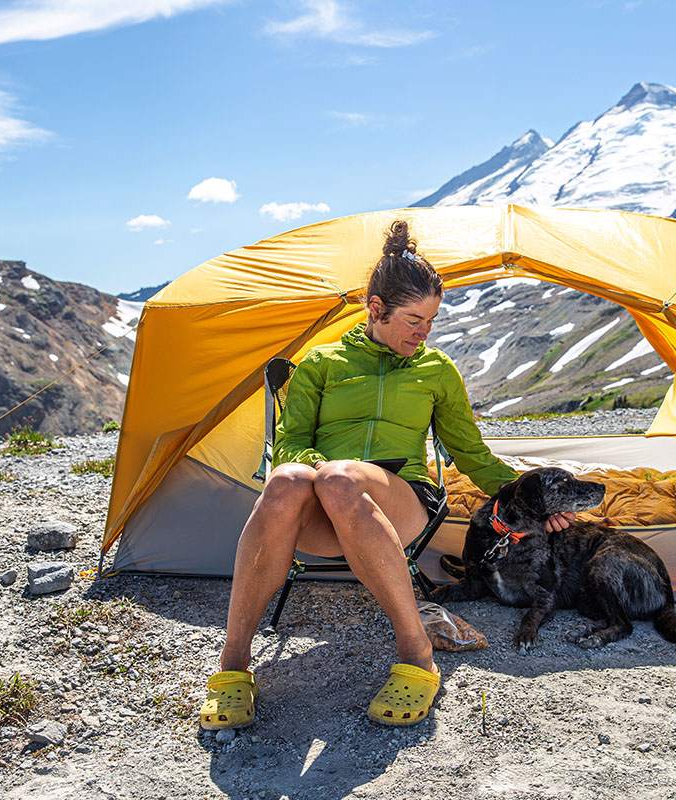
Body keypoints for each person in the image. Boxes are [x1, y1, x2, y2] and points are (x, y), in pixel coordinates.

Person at [199, 219, 574, 729]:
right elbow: (288, 445)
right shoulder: (321, 363)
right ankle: (233, 664)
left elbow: (473, 454)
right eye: (413, 320)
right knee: (290, 479)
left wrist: (539, 503)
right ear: (376, 310)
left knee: (341, 478)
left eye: (432, 321)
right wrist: (320, 472)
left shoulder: (437, 369)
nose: (424, 333)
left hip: (402, 502)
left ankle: (418, 655)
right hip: (324, 504)